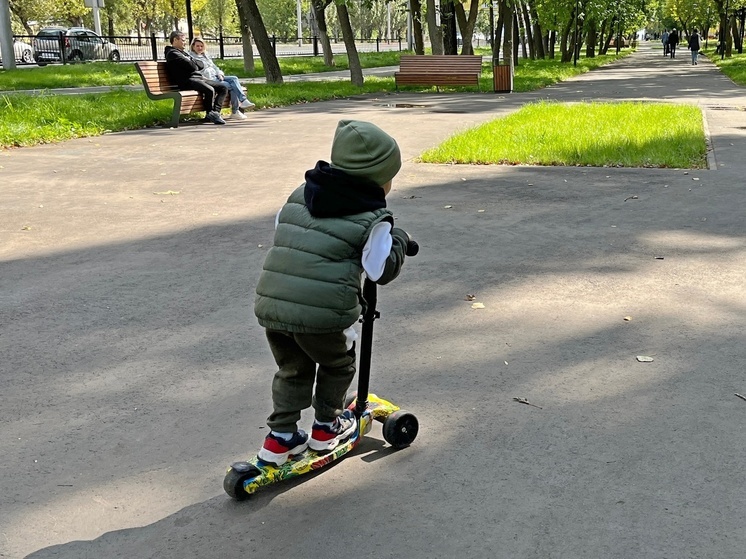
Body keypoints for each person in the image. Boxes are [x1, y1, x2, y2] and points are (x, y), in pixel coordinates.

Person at [254, 120, 414, 466]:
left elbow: (284, 231)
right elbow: (379, 270)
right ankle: (327, 426)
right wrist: (398, 239)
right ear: (376, 178)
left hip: (273, 307)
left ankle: (280, 437)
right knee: (337, 363)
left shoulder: (301, 193)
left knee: (292, 368)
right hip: (324, 314)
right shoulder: (374, 217)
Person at [164, 30, 228, 125]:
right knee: (209, 90)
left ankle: (214, 113)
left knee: (223, 87)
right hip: (187, 81)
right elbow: (193, 66)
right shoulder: (172, 53)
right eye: (183, 40)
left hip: (197, 78)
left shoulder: (183, 53)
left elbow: (200, 65)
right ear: (175, 40)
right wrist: (192, 62)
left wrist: (192, 62)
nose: (185, 42)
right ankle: (211, 113)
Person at [189, 37, 255, 121]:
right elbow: (199, 71)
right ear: (193, 46)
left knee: (234, 79)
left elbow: (214, 67)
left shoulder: (205, 55)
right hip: (208, 80)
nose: (200, 48)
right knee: (230, 86)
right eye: (197, 46)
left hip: (216, 77)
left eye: (201, 46)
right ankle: (235, 111)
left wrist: (220, 73)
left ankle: (243, 100)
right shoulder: (191, 57)